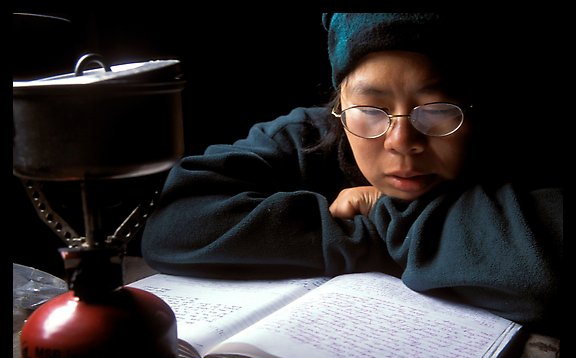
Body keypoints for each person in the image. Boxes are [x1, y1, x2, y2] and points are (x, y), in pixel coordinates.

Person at [141, 13, 562, 335]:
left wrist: (387, 217)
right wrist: (367, 234)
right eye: (370, 110)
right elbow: (176, 222)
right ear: (339, 105)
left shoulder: (518, 147)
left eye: (435, 110)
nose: (400, 140)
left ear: (475, 108)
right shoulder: (307, 137)